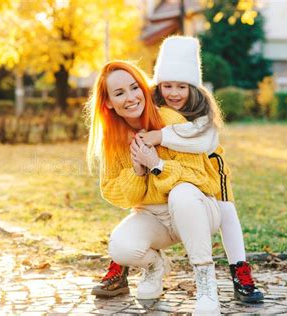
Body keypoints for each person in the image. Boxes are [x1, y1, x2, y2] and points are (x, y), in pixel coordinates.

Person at [92, 36, 264, 303]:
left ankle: (236, 271)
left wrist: (158, 151)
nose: (174, 93)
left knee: (224, 208)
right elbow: (122, 192)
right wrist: (138, 169)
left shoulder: (191, 114)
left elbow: (204, 143)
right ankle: (127, 261)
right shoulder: (137, 111)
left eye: (181, 86)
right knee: (132, 223)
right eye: (167, 86)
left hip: (207, 170)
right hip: (156, 207)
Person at [86, 59, 224, 314]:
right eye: (119, 93)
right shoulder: (112, 140)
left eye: (134, 87)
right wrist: (137, 171)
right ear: (108, 102)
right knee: (120, 247)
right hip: (154, 218)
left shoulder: (170, 119)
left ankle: (206, 284)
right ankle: (154, 267)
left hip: (198, 209)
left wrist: (157, 164)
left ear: (143, 88)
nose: (130, 97)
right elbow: (112, 192)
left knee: (181, 193)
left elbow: (202, 178)